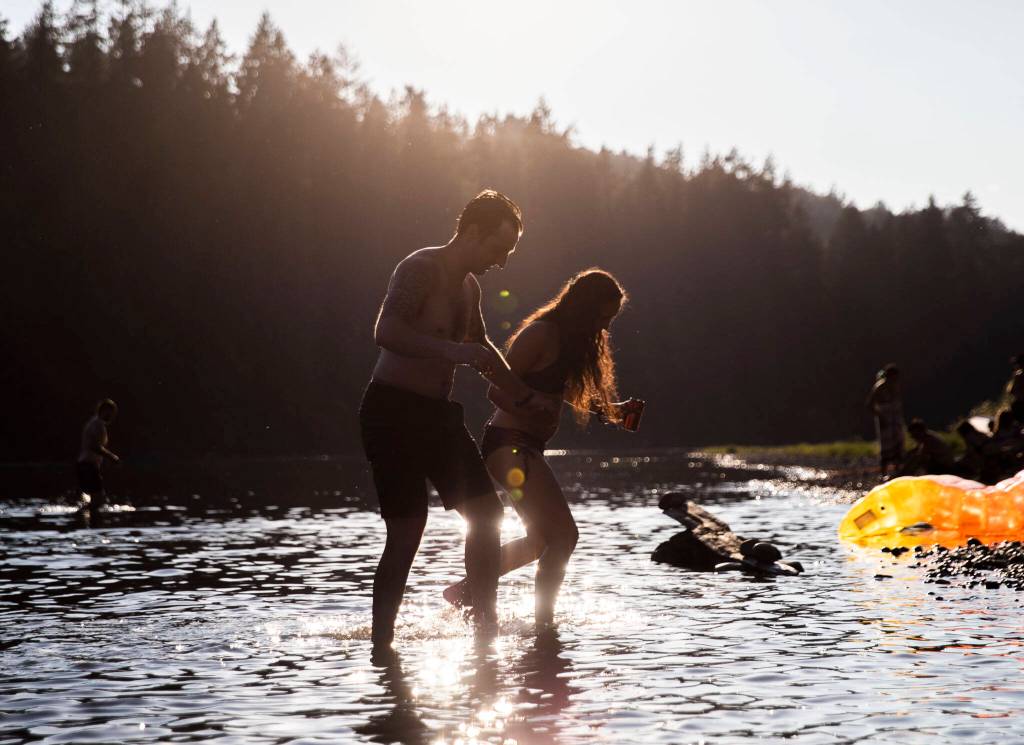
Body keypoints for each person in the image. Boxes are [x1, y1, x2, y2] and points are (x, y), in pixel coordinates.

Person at [359, 189, 556, 657]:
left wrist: (523, 396)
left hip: (438, 415)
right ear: (471, 233)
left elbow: (480, 347)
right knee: (407, 533)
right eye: (497, 249)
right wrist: (451, 350)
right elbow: (386, 331)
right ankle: (381, 646)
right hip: (390, 412)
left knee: (487, 516)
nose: (500, 262)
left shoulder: (470, 288)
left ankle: (484, 629)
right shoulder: (419, 268)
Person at [444, 269, 640, 627]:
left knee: (540, 541)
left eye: (610, 319)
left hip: (527, 446)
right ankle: (544, 625)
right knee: (564, 536)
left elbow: (563, 392)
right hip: (509, 444)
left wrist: (613, 411)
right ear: (584, 307)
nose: (605, 326)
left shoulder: (572, 341)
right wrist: (530, 405)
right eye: (602, 317)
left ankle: (467, 591)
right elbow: (496, 389)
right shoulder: (540, 334)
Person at [76, 398, 120, 512]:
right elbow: (94, 446)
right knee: (98, 498)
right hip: (88, 465)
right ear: (104, 410)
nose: (112, 417)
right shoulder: (97, 424)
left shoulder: (96, 423)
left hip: (87, 465)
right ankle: (89, 517)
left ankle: (85, 515)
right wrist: (112, 457)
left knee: (93, 498)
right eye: (111, 413)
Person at [866, 365, 905, 477]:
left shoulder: (896, 386)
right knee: (886, 446)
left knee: (898, 444)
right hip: (885, 419)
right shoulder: (879, 387)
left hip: (896, 419)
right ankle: (884, 473)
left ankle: (898, 471)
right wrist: (881, 416)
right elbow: (869, 404)